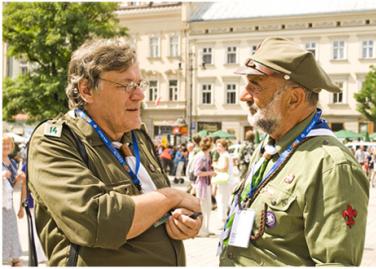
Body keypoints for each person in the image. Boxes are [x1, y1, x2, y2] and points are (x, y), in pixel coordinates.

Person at [27, 37, 201, 266]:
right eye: (126, 85)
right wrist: (171, 197)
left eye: (140, 84)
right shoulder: (54, 142)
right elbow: (96, 221)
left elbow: (164, 206)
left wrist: (187, 220)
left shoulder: (137, 137)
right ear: (87, 90)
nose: (139, 95)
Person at [218, 37, 369, 266]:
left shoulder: (330, 165)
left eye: (255, 84)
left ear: (294, 98)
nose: (243, 95)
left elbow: (335, 263)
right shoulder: (269, 147)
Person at [2, 135, 24, 266]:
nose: (6, 147)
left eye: (8, 144)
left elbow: (14, 185)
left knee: (11, 229)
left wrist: (19, 179)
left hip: (8, 201)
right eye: (3, 144)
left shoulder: (13, 162)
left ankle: (14, 257)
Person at [193, 137, 216, 237]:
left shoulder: (207, 155)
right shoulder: (201, 156)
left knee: (207, 208)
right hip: (202, 185)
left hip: (206, 184)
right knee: (203, 208)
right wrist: (210, 172)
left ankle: (206, 229)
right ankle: (201, 230)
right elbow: (196, 172)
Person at [212, 139, 237, 226]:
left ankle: (223, 220)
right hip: (225, 181)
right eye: (217, 146)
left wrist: (215, 166)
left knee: (222, 200)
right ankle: (225, 219)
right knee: (224, 200)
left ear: (224, 147)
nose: (217, 148)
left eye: (220, 146)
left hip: (225, 181)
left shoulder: (225, 156)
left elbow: (224, 168)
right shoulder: (225, 155)